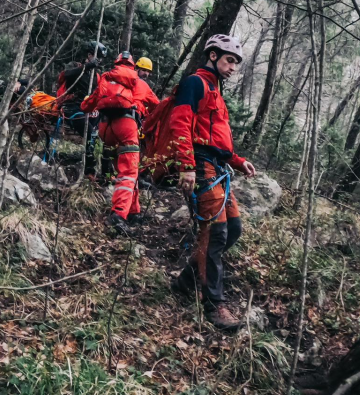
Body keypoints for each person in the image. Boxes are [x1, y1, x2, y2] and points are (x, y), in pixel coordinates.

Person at [163, 34, 256, 330]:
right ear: (213, 56)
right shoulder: (195, 83)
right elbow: (180, 122)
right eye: (230, 60)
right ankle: (214, 304)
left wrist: (237, 161)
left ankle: (185, 282)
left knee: (233, 231)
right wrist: (187, 166)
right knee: (215, 234)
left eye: (236, 63)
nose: (233, 67)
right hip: (200, 166)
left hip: (217, 167)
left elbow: (218, 139)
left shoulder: (216, 92)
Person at [80, 51, 159, 233]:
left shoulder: (106, 79)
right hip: (126, 127)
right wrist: (145, 114)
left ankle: (134, 211)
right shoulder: (139, 83)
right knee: (129, 173)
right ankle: (118, 215)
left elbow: (86, 106)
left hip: (106, 129)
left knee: (126, 171)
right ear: (134, 66)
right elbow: (157, 105)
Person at [56, 40, 106, 175]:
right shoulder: (75, 66)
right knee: (90, 135)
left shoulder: (96, 76)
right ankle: (88, 170)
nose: (99, 61)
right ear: (90, 55)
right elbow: (65, 75)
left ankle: (100, 169)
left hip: (89, 111)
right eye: (98, 58)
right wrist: (87, 66)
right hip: (72, 109)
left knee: (99, 136)